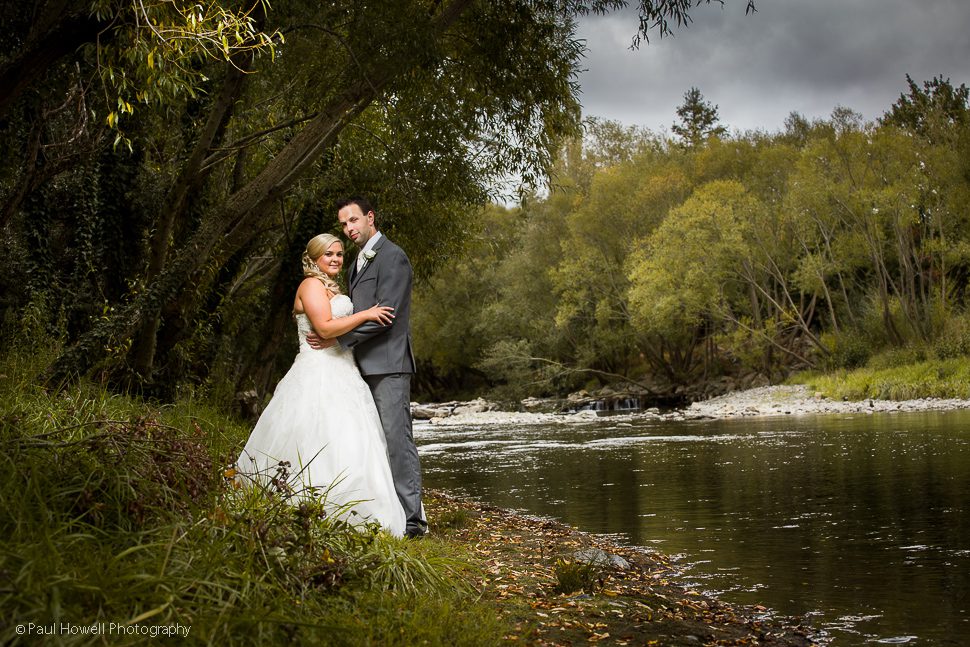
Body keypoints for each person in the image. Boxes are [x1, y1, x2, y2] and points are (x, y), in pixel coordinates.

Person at [235, 233, 407, 536]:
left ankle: (357, 511)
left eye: (340, 254)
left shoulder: (332, 287)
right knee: (318, 435)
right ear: (314, 258)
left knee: (353, 440)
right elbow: (325, 327)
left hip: (344, 369)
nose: (336, 259)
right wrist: (367, 313)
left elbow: (334, 329)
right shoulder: (311, 285)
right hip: (318, 371)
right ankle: (309, 509)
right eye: (329, 254)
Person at [308, 197, 427, 538]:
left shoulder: (393, 256)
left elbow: (385, 315)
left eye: (353, 221)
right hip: (361, 366)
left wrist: (337, 341)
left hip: (388, 364)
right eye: (344, 224)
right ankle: (389, 512)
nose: (348, 229)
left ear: (370, 218)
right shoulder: (356, 263)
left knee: (396, 441)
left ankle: (413, 522)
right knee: (373, 443)